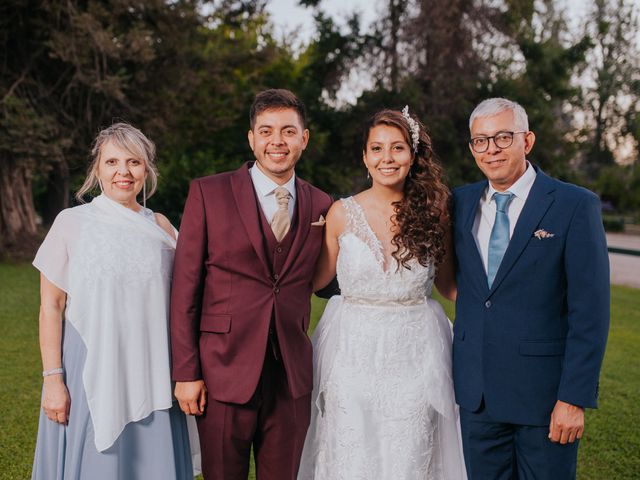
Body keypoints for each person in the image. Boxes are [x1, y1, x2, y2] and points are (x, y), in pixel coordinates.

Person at [170, 89, 333, 480]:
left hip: (291, 375)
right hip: (222, 370)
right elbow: (184, 290)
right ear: (251, 138)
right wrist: (186, 373)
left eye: (288, 131)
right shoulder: (208, 193)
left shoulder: (323, 205)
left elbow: (328, 279)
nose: (277, 141)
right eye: (266, 131)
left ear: (304, 138)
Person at [298, 108, 467, 479]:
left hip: (416, 353)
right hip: (351, 352)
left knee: (410, 449)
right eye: (376, 148)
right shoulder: (340, 213)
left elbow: (450, 287)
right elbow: (310, 282)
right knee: (350, 446)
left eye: (397, 148)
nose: (386, 158)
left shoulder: (436, 213)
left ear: (413, 154)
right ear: (364, 156)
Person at [452, 98, 610, 479]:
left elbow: (590, 312)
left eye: (503, 137)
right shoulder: (458, 202)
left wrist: (573, 398)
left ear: (528, 140)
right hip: (478, 399)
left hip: (544, 400)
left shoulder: (574, 205)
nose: (491, 149)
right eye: (480, 141)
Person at [31, 123, 194, 479]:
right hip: (92, 369)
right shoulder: (71, 223)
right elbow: (51, 307)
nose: (123, 172)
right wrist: (53, 380)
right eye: (112, 162)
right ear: (97, 169)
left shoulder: (162, 227)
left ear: (146, 169)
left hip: (153, 369)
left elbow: (189, 298)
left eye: (134, 162)